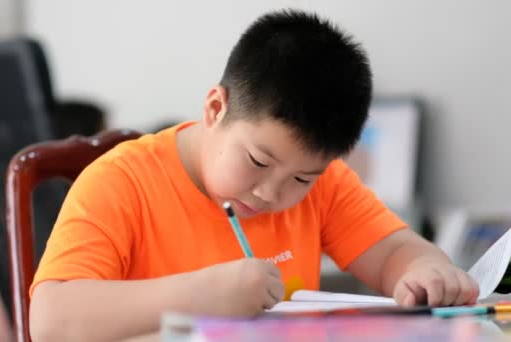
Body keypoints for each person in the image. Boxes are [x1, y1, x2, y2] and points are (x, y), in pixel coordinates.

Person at [29, 9, 479, 341]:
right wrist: (199, 294)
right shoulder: (121, 182)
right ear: (215, 108)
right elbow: (52, 321)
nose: (270, 192)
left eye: (301, 179)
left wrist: (427, 270)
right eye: (258, 162)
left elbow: (392, 250)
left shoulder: (325, 185)